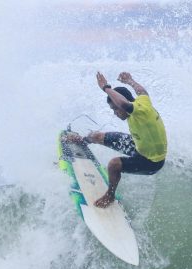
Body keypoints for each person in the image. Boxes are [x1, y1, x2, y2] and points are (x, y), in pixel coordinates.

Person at [66, 71, 167, 208]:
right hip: (138, 145)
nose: (115, 113)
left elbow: (123, 104)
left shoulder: (139, 111)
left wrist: (106, 88)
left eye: (115, 109)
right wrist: (130, 80)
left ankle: (110, 195)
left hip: (151, 162)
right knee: (97, 136)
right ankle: (83, 141)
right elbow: (141, 91)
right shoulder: (142, 101)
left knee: (114, 165)